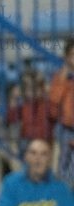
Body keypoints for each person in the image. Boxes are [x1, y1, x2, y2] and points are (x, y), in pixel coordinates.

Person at [6, 69, 53, 158]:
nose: (32, 92)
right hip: (27, 139)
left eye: (35, 88)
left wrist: (49, 94)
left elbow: (55, 114)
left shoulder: (46, 104)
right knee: (26, 158)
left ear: (42, 88)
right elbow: (11, 118)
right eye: (28, 89)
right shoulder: (24, 105)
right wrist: (13, 99)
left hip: (43, 139)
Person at [49, 36, 74, 189]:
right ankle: (64, 196)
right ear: (66, 58)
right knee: (63, 165)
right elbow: (54, 102)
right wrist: (63, 80)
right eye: (72, 55)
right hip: (66, 128)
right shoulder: (60, 78)